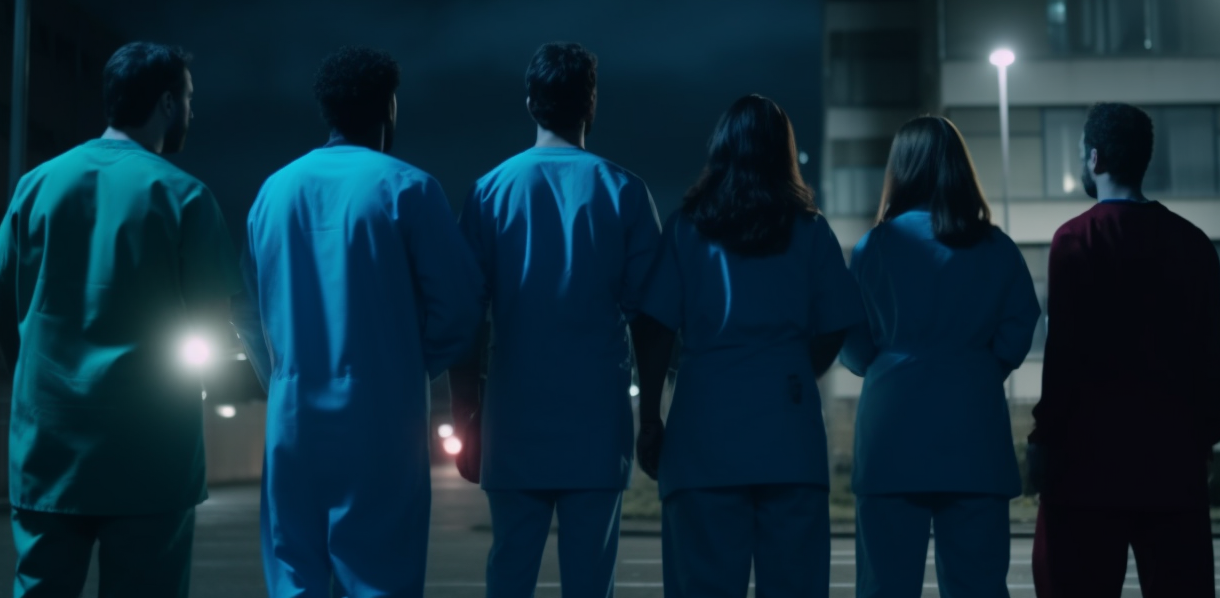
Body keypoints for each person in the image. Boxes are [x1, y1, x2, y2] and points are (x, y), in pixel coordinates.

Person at [0, 42, 240, 598]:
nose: (192, 113)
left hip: (48, 446)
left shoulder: (38, 185)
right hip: (151, 451)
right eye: (190, 100)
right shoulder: (185, 197)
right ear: (168, 104)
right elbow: (214, 326)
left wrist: (32, 387)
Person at [238, 45, 483, 598]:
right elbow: (461, 308)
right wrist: (410, 360)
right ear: (387, 109)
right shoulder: (408, 188)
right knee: (379, 574)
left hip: (293, 414)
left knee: (294, 572)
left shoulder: (272, 193)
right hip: (380, 413)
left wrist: (278, 377)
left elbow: (248, 311)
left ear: (326, 110)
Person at [448, 42, 663, 598]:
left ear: (530, 103)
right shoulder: (624, 190)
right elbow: (650, 318)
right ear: (591, 103)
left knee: (510, 573)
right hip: (596, 418)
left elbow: (466, 314)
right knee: (591, 580)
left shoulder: (489, 191)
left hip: (514, 418)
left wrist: (466, 413)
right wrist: (652, 418)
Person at [636, 94, 865, 598]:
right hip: (789, 431)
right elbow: (835, 325)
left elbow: (653, 328)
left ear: (722, 150)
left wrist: (650, 418)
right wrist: (797, 369)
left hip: (702, 433)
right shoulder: (810, 231)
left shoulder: (685, 229)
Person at [1029, 102, 1220, 598]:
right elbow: (1211, 355)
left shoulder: (1076, 240)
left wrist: (1046, 435)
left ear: (1094, 158)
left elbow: (1066, 355)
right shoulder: (1193, 243)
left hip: (1088, 463)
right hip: (1172, 459)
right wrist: (1205, 434)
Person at [840, 115, 1041, 598]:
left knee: (885, 585)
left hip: (892, 425)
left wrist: (883, 365)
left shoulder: (875, 247)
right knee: (978, 584)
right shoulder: (996, 247)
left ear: (900, 169)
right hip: (973, 426)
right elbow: (1020, 324)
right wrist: (981, 366)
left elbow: (849, 334)